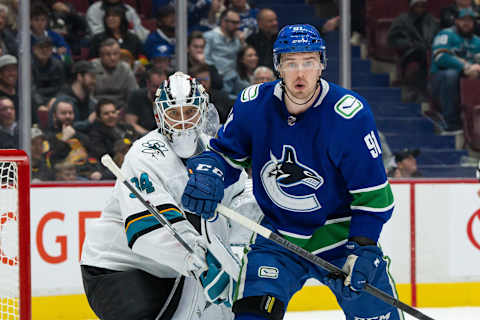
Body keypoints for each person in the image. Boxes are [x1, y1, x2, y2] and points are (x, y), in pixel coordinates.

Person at [181, 24, 401, 320]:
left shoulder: (349, 116)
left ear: (322, 64)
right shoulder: (253, 105)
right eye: (291, 63)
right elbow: (226, 155)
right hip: (277, 237)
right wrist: (210, 173)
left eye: (308, 62)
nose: (300, 73)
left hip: (339, 237)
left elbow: (374, 198)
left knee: (373, 313)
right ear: (278, 67)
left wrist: (362, 247)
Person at [81, 71, 248, 320]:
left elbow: (242, 199)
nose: (182, 123)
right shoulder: (145, 155)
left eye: (189, 112)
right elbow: (147, 228)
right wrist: (201, 265)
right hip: (119, 266)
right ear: (160, 116)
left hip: (174, 270)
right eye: (174, 114)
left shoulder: (216, 151)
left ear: (202, 111)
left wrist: (238, 253)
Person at [430, 8, 480, 134]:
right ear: (456, 21)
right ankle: (451, 124)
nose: (466, 23)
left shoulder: (477, 41)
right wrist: (466, 67)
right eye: (463, 20)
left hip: (467, 77)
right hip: (440, 80)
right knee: (451, 75)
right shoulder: (446, 35)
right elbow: (440, 57)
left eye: (470, 20)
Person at [387, 0, 440, 102]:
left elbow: (438, 38)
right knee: (420, 56)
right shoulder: (402, 20)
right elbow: (392, 39)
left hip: (428, 52)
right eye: (418, 5)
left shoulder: (431, 21)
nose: (420, 8)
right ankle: (416, 92)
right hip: (408, 52)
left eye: (422, 5)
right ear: (412, 6)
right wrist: (409, 44)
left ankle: (427, 94)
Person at [45, 97, 103, 180]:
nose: (68, 116)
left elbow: (95, 158)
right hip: (63, 179)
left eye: (70, 113)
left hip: (86, 177)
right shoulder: (48, 137)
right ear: (54, 116)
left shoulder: (82, 137)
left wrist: (95, 172)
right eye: (63, 113)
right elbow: (52, 162)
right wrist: (64, 139)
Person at [92, 38, 139, 110]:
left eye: (115, 54)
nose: (112, 58)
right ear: (100, 56)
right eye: (108, 54)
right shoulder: (93, 67)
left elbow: (133, 95)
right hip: (96, 108)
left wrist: (123, 111)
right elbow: (89, 97)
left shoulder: (125, 68)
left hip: (121, 109)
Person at [56, 60, 97, 132]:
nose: (94, 81)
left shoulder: (91, 101)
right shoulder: (63, 100)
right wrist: (88, 122)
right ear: (79, 77)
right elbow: (64, 126)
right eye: (91, 76)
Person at [125, 67, 167, 136]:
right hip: (142, 137)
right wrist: (150, 136)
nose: (160, 91)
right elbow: (131, 124)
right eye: (156, 86)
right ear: (148, 83)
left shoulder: (171, 99)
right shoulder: (136, 96)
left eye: (163, 87)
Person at [204, 9, 244, 77]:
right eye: (234, 23)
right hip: (217, 77)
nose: (237, 26)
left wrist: (242, 42)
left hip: (234, 76)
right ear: (223, 22)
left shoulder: (237, 39)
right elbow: (206, 59)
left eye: (238, 23)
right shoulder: (209, 36)